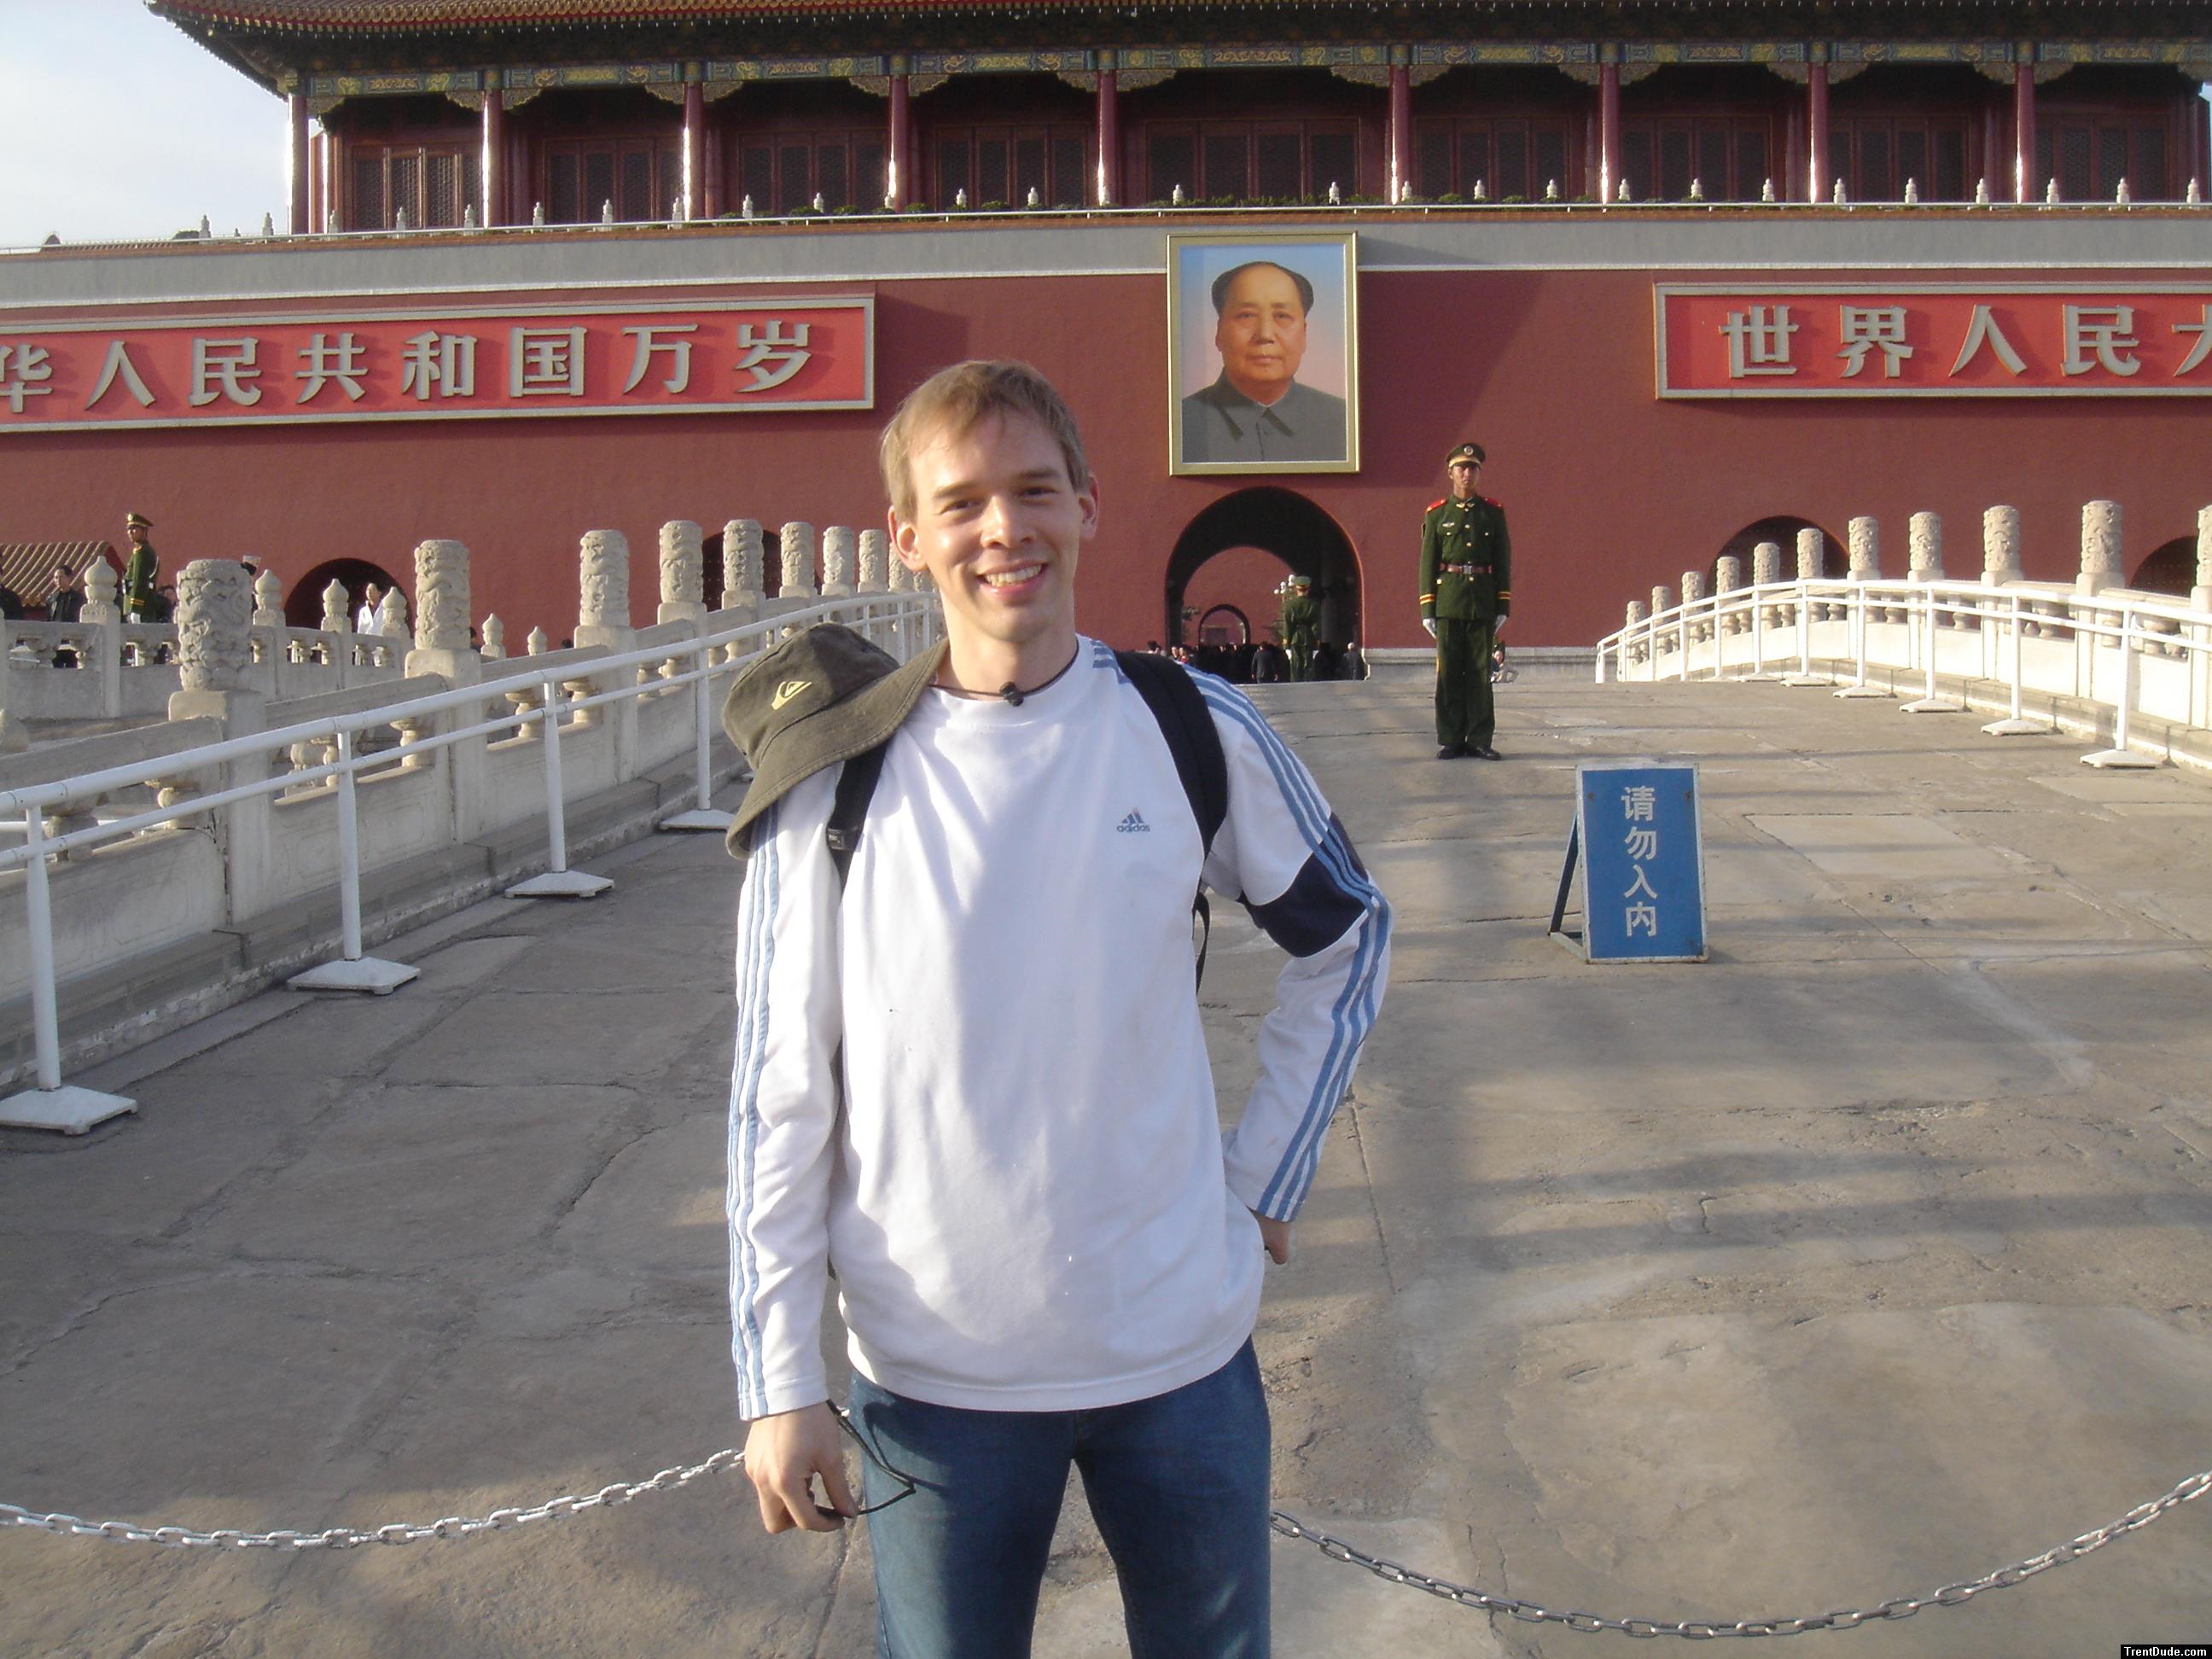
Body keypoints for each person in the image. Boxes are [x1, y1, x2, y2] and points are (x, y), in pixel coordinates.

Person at [729, 359, 1391, 1658]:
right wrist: (778, 1381)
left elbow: (1349, 933)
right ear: (908, 538)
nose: (1003, 531)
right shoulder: (837, 786)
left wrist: (1265, 1175)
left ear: (1087, 504)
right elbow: (780, 1094)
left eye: (1034, 490)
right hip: (935, 1377)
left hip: (1177, 1358)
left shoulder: (1185, 724)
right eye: (962, 502)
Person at [1179, 260, 1348, 466]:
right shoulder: (1179, 424)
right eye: (1247, 316)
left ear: (1304, 334)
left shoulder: (1344, 422)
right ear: (1219, 332)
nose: (1265, 334)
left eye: (1282, 316)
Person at [1419, 441, 1511, 760]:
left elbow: (1502, 559)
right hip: (1448, 602)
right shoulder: (1437, 515)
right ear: (1451, 473)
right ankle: (1451, 737)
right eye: (1462, 468)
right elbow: (1428, 562)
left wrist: (1502, 604)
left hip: (1482, 601)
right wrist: (1427, 607)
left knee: (1479, 673)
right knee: (1449, 674)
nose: (1467, 473)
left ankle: (1480, 738)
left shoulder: (1493, 513)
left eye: (1473, 468)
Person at [1277, 573, 1321, 680]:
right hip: (1309, 638)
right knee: (1308, 666)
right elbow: (1316, 626)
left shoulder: (1289, 605)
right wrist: (1317, 645)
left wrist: (1286, 646)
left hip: (1294, 638)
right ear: (1308, 589)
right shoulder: (1314, 604)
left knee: (1295, 666)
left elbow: (1287, 626)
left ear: (1296, 588)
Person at [121, 511, 160, 623]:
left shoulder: (142, 552)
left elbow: (140, 581)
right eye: (128, 529)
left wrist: (135, 608)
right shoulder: (138, 551)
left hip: (141, 607)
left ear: (144, 531)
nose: (130, 532)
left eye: (134, 528)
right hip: (139, 605)